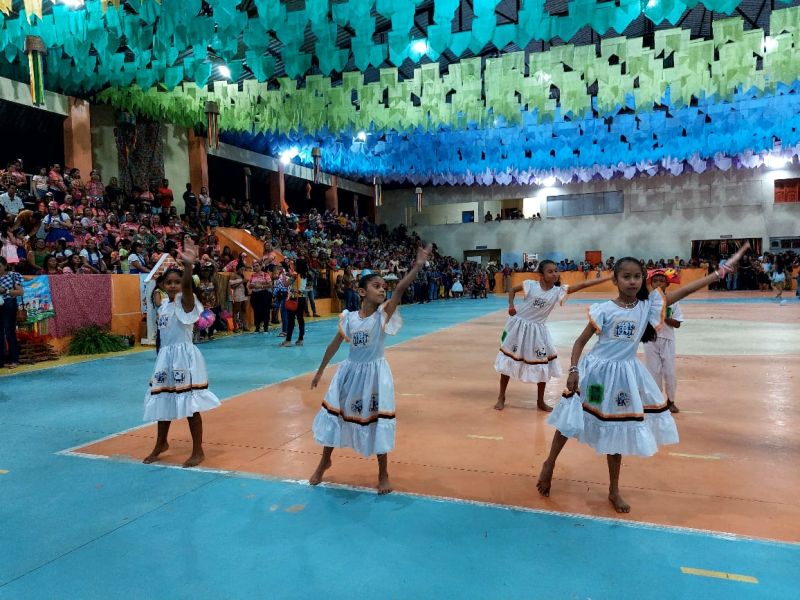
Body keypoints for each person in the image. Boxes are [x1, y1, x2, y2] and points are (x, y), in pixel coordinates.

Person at [537, 244, 749, 513]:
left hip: (623, 376)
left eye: (637, 276)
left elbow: (684, 291)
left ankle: (614, 489)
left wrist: (718, 274)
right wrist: (574, 370)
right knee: (570, 420)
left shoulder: (647, 307)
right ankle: (550, 463)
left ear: (643, 279)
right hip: (595, 373)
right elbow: (580, 343)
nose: (632, 281)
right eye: (626, 276)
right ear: (615, 280)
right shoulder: (604, 309)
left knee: (616, 429)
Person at [308, 242, 433, 494]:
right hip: (349, 374)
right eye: (376, 286)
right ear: (362, 291)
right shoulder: (349, 319)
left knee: (377, 421)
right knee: (335, 415)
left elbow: (400, 288)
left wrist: (418, 266)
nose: (382, 289)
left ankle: (383, 473)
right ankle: (324, 461)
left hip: (374, 375)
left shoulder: (382, 316)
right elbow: (333, 346)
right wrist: (320, 371)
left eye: (383, 286)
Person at [494, 260, 612, 411]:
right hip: (518, 327)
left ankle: (540, 401)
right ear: (541, 274)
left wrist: (607, 278)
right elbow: (512, 290)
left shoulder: (558, 291)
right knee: (508, 360)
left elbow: (583, 285)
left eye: (556, 271)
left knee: (543, 364)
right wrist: (511, 305)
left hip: (538, 331)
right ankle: (501, 396)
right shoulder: (530, 285)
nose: (555, 274)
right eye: (550, 271)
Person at [142, 243, 221, 468]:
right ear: (162, 285)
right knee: (162, 399)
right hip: (165, 359)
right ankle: (161, 443)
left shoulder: (186, 302)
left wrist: (188, 267)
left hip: (184, 359)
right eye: (169, 282)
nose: (173, 285)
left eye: (177, 282)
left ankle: (198, 450)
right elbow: (162, 337)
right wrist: (158, 361)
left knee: (190, 404)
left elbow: (186, 288)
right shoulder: (164, 306)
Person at [644, 269, 683, 414]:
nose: (658, 283)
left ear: (667, 283)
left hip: (667, 339)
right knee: (653, 371)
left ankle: (671, 400)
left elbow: (677, 323)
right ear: (651, 283)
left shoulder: (673, 301)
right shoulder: (646, 301)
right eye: (655, 281)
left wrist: (664, 316)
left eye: (662, 281)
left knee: (670, 371)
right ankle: (656, 400)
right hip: (650, 340)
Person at [0, 256, 24, 369]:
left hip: (8, 304)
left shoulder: (13, 275)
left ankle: (14, 360)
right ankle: (1, 361)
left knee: (9, 332)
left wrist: (4, 291)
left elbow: (20, 292)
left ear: (5, 266)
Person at [280, 259, 308, 347]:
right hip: (302, 298)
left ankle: (288, 340)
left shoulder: (295, 275)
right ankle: (300, 339)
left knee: (291, 320)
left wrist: (283, 275)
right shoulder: (305, 275)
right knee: (300, 319)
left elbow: (285, 284)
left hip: (294, 298)